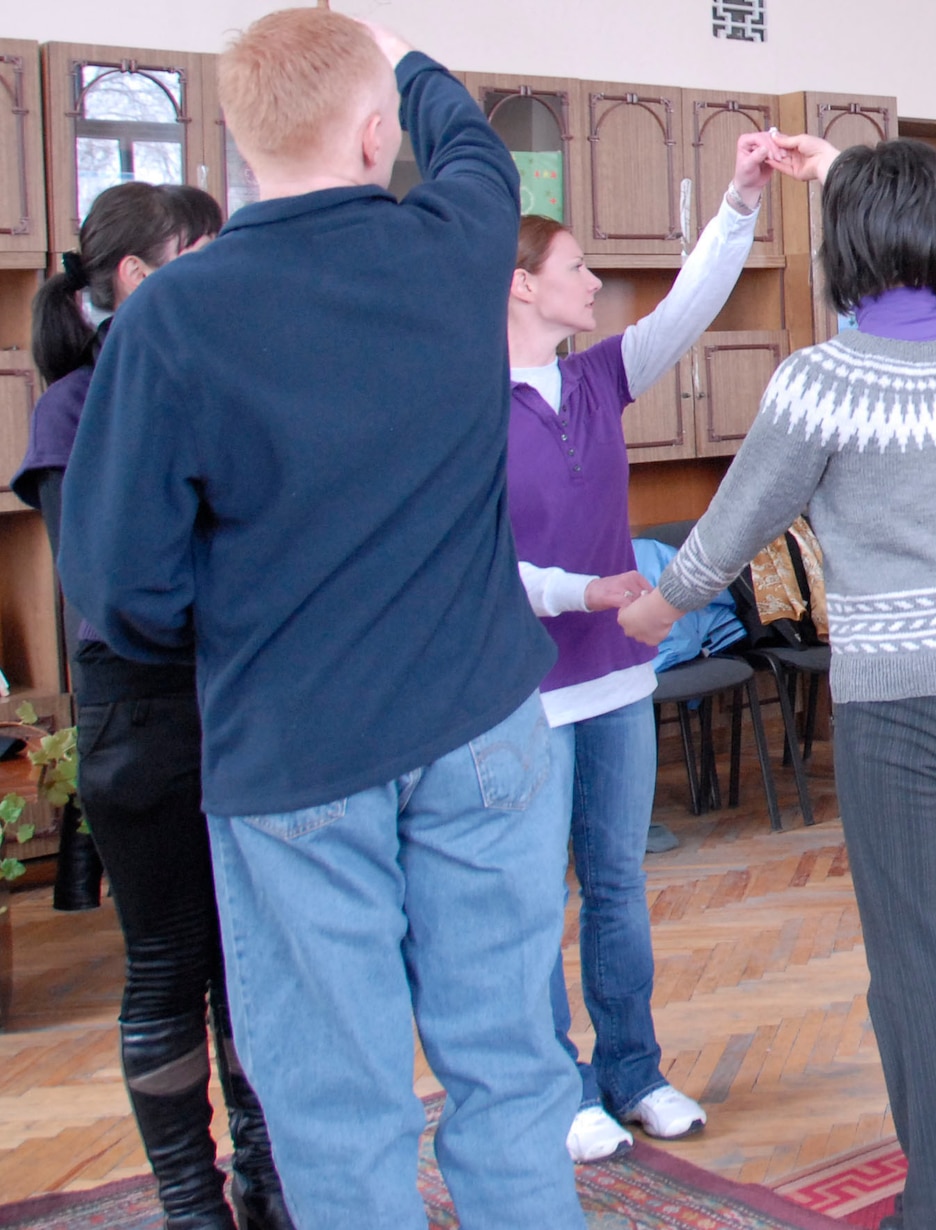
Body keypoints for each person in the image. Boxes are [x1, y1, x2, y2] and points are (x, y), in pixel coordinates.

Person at [57, 12, 587, 1226]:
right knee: (510, 1068)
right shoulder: (450, 241)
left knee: (338, 1110)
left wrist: (242, 620)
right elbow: (478, 152)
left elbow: (119, 590)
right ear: (371, 133)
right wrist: (401, 54)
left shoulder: (170, 320)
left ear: (237, 145)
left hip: (295, 747)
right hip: (482, 722)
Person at [618, 135, 936, 1230]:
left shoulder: (820, 385)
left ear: (841, 244)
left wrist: (643, 616)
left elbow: (723, 538)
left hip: (900, 705)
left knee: (915, 959)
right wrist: (852, 164)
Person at [11, 182, 294, 1230]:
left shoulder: (202, 380)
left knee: (253, 969)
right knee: (173, 966)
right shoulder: (71, 408)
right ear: (137, 278)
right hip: (147, 720)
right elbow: (120, 587)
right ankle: (191, 1199)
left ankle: (268, 1185)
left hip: (237, 709)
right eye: (202, 253)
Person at [505, 134, 788, 1161]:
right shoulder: (461, 411)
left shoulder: (595, 381)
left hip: (618, 678)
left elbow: (690, 304)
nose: (594, 281)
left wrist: (740, 200)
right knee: (533, 900)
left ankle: (632, 1071)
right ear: (522, 286)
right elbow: (480, 568)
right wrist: (581, 589)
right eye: (576, 268)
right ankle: (556, 1086)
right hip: (523, 697)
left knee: (616, 887)